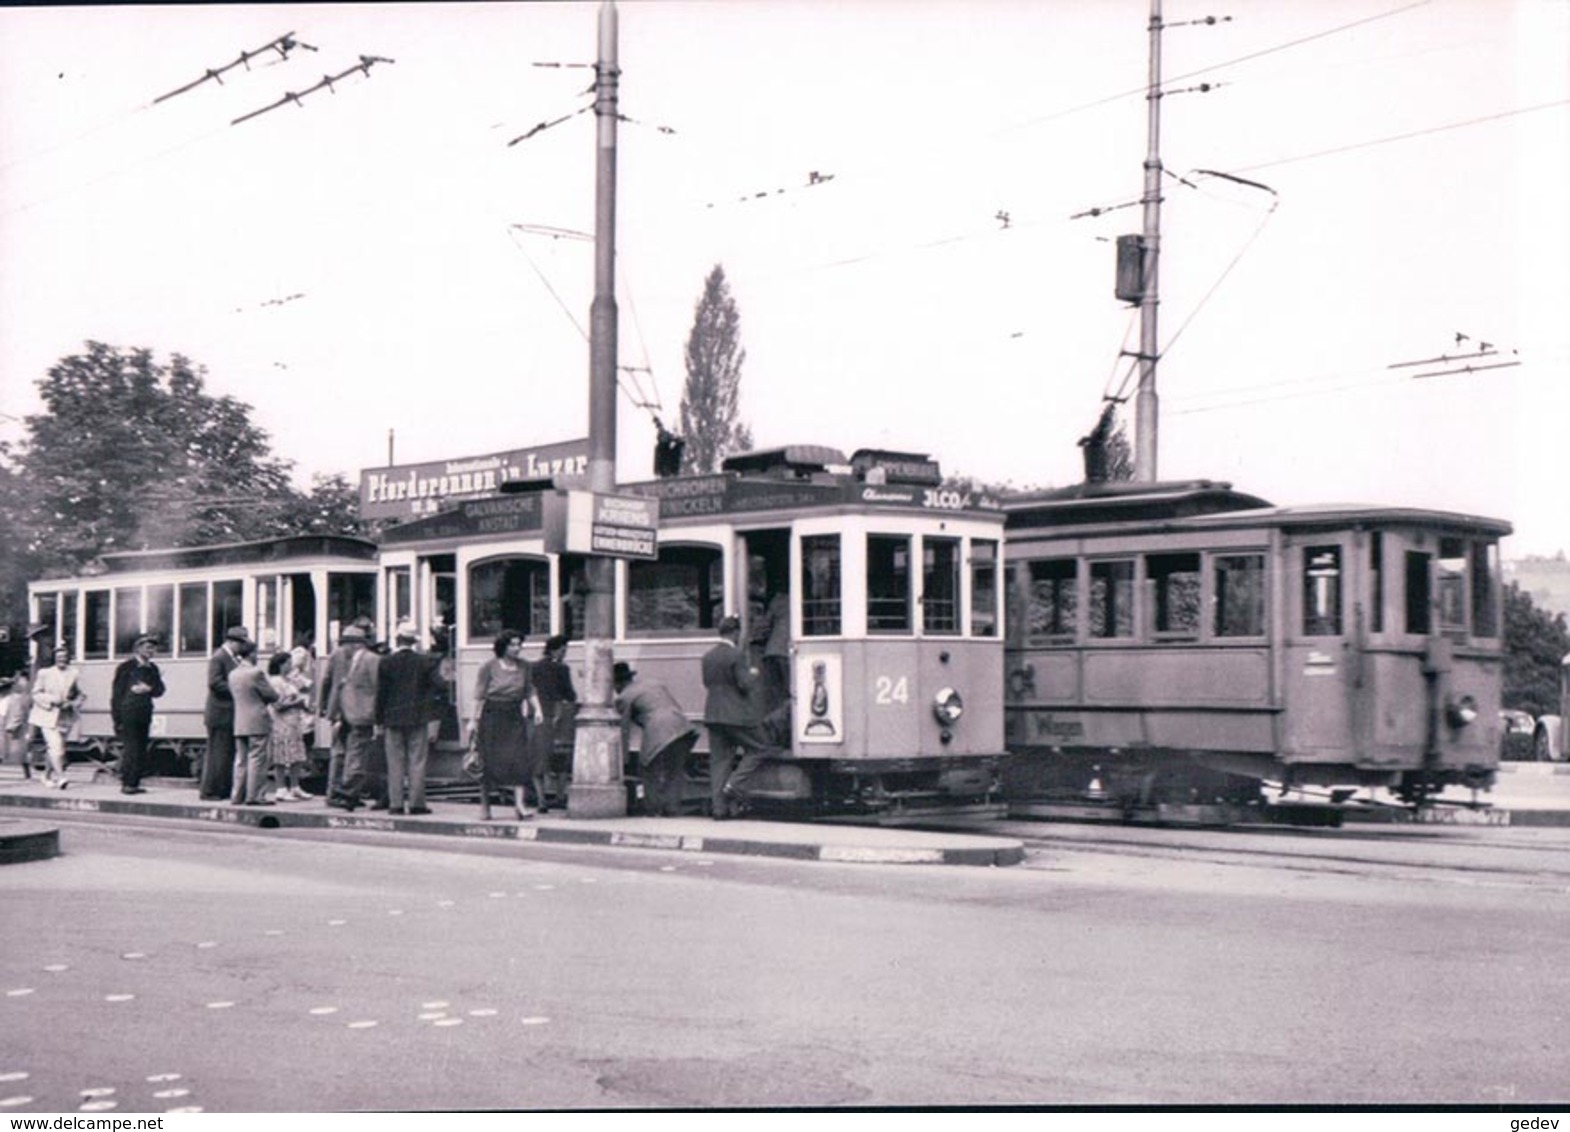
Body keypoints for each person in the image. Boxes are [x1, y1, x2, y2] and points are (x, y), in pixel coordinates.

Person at [701, 614, 770, 819]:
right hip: (736, 715)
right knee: (761, 747)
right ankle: (734, 784)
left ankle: (719, 810)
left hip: (713, 714)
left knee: (719, 761)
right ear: (735, 632)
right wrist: (754, 672)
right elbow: (744, 684)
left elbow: (707, 683)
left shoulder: (708, 656)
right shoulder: (736, 655)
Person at [468, 629, 542, 821]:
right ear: (503, 646)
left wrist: (538, 709)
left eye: (519, 645)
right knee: (488, 761)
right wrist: (473, 720)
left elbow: (529, 689)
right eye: (512, 645)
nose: (517, 649)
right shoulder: (489, 667)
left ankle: (519, 805)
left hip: (514, 714)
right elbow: (479, 694)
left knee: (520, 759)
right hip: (492, 715)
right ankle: (485, 807)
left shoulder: (525, 666)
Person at [613, 661, 698, 817]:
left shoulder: (624, 697)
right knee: (675, 770)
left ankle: (653, 810)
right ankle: (672, 809)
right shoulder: (653, 684)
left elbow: (623, 730)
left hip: (659, 730)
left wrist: (622, 760)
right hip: (683, 727)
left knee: (648, 769)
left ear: (617, 683)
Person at [375, 621, 443, 815]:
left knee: (394, 761)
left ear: (398, 639)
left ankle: (395, 804)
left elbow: (381, 693)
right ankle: (416, 803)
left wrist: (379, 720)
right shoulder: (425, 662)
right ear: (413, 641)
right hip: (417, 717)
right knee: (417, 760)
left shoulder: (386, 662)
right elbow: (438, 686)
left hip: (392, 717)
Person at [325, 624, 380, 811]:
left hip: (349, 711)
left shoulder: (342, 655)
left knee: (343, 753)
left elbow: (326, 680)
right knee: (346, 753)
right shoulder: (359, 657)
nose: (344, 647)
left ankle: (338, 792)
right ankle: (343, 793)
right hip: (348, 711)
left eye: (346, 643)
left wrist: (325, 707)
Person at [109, 634, 166, 795]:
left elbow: (160, 690)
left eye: (153, 648)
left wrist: (148, 689)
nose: (151, 651)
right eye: (148, 647)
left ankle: (134, 783)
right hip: (128, 713)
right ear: (138, 648)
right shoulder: (126, 667)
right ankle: (128, 783)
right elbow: (116, 695)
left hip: (145, 713)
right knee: (132, 749)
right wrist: (116, 719)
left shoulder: (152, 668)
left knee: (141, 748)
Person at [200, 626, 250, 801]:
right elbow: (214, 683)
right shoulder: (219, 657)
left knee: (225, 753)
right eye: (241, 643)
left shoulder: (230, 657)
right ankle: (210, 791)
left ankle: (221, 789)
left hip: (227, 712)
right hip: (220, 713)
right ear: (232, 641)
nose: (243, 647)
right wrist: (238, 689)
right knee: (218, 753)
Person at [529, 633, 578, 813]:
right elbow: (570, 694)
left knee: (539, 759)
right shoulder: (562, 669)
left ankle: (541, 800)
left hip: (538, 716)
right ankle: (559, 796)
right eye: (563, 650)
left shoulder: (533, 667)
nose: (565, 654)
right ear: (555, 650)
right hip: (558, 715)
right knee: (561, 758)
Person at [228, 640, 279, 805]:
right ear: (251, 654)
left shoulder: (233, 674)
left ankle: (237, 796)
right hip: (257, 720)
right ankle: (255, 796)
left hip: (240, 721)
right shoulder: (255, 673)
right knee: (258, 758)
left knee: (241, 760)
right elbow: (272, 695)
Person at [29, 645, 85, 790]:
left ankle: (46, 775)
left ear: (68, 658)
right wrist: (52, 700)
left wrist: (73, 704)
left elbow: (81, 694)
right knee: (56, 748)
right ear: (54, 658)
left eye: (65, 657)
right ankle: (61, 778)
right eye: (59, 657)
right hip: (47, 716)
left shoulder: (74, 673)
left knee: (56, 749)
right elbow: (35, 694)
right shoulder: (45, 673)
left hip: (65, 717)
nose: (62, 659)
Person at [265, 650, 314, 802]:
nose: (290, 665)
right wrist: (297, 703)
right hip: (281, 722)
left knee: (296, 755)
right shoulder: (275, 682)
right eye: (287, 663)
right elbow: (277, 705)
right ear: (280, 665)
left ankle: (295, 786)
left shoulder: (287, 680)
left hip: (294, 722)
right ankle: (281, 788)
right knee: (282, 755)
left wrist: (303, 706)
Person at [2, 674, 33, 779]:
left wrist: (13, 725)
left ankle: (27, 772)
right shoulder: (6, 698)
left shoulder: (14, 698)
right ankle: (26, 771)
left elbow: (18, 713)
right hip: (4, 723)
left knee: (18, 751)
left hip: (7, 725)